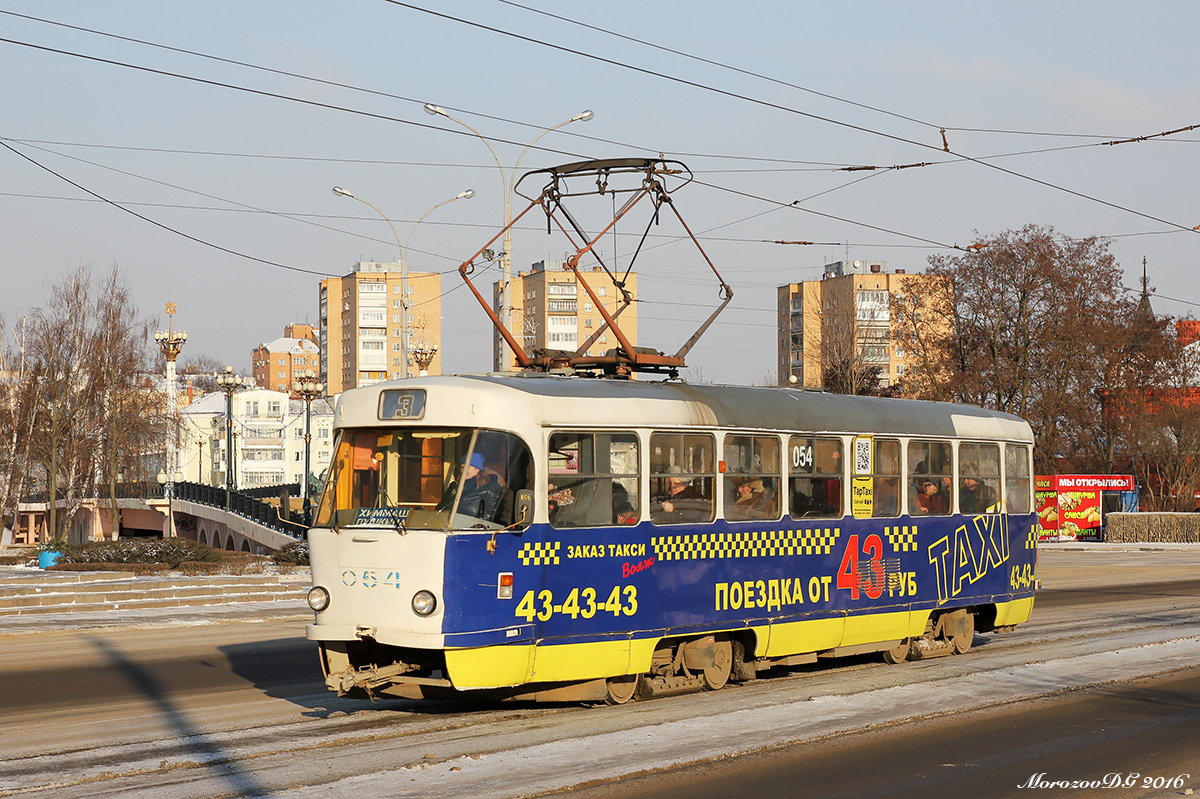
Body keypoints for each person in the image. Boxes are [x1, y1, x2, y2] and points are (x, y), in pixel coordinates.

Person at [453, 453, 505, 521]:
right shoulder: (461, 486)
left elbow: (491, 517)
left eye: (467, 467)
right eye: (462, 467)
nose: (463, 471)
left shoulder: (491, 488)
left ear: (477, 469)